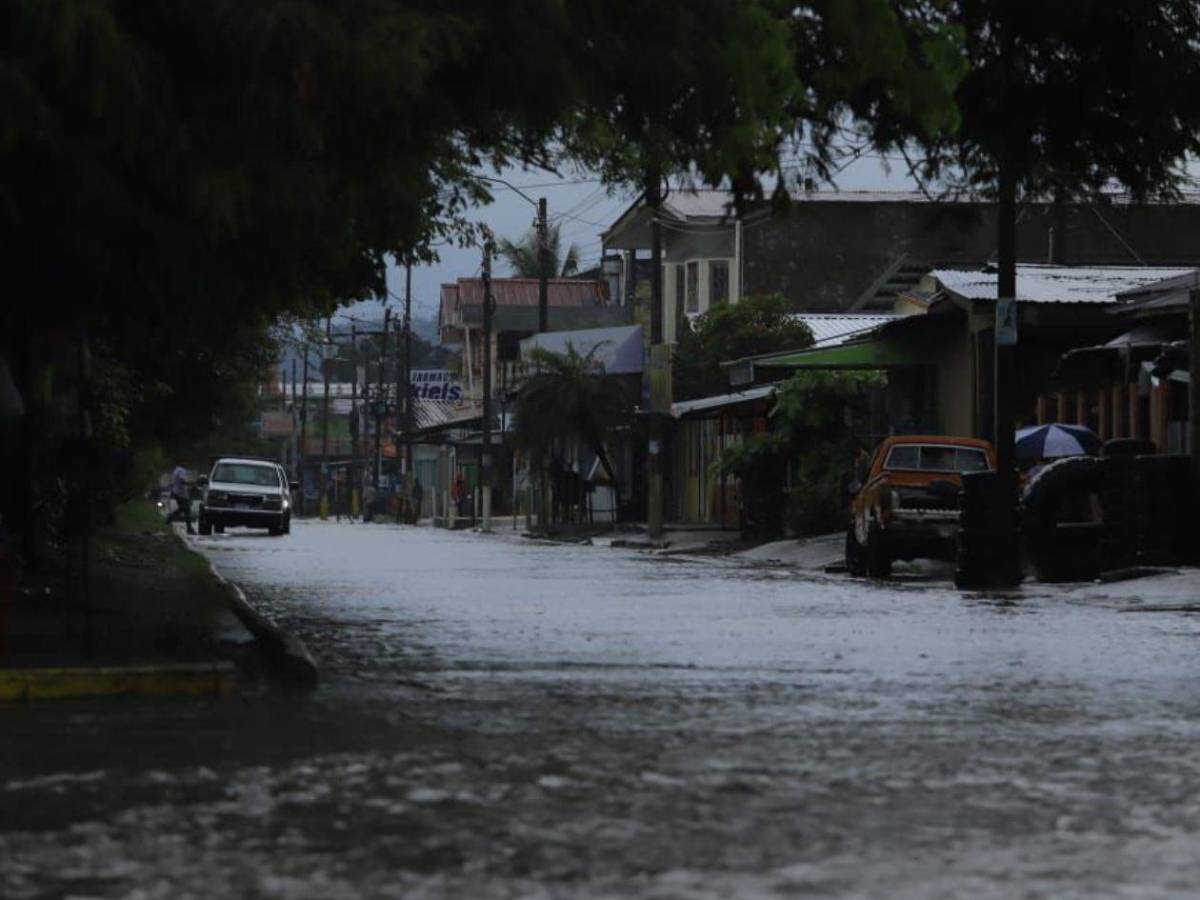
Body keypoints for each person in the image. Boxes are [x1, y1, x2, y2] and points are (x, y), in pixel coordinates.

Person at [165, 464, 195, 534]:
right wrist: (191, 484)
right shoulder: (181, 470)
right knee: (187, 511)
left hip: (177, 492)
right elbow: (182, 481)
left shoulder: (175, 470)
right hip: (181, 494)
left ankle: (170, 517)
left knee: (183, 509)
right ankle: (189, 529)